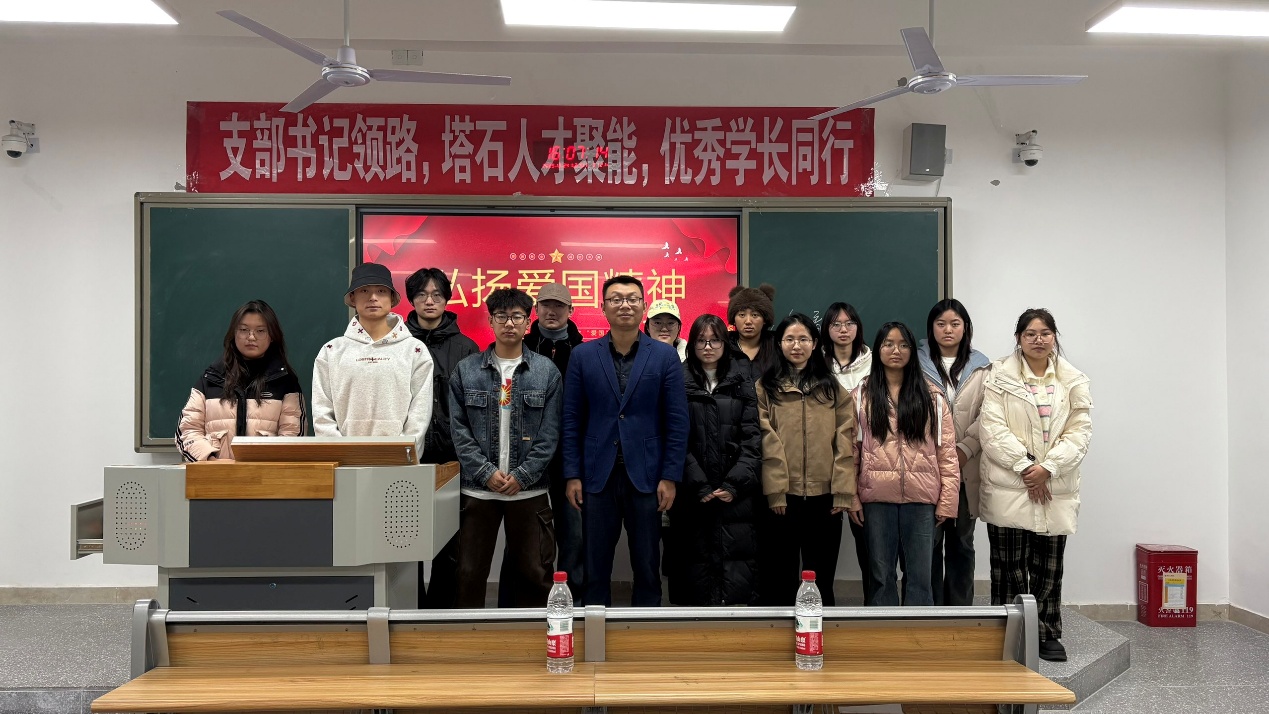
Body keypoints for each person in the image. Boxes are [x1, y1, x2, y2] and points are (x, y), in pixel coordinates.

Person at [563, 275, 689, 607]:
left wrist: (670, 476)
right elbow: (572, 419)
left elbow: (677, 422)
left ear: (644, 307)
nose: (625, 305)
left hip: (647, 476)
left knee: (647, 564)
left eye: (632, 299)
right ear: (602, 307)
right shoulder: (582, 355)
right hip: (596, 475)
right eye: (616, 299)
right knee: (594, 565)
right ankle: (594, 625)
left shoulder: (664, 356)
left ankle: (646, 629)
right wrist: (572, 474)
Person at [979, 308, 1092, 662]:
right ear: (1019, 338)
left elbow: (1080, 432)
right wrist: (1028, 468)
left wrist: (1048, 468)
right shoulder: (999, 376)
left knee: (1048, 568)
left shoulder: (1073, 380)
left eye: (1045, 333)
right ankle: (1008, 635)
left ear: (1054, 337)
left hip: (1054, 486)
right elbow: (991, 429)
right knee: (1008, 568)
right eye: (1030, 333)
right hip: (1010, 485)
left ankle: (1047, 633)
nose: (1038, 339)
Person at [449, 288, 562, 608]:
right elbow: (459, 430)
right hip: (478, 491)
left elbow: (550, 433)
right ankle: (469, 635)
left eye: (516, 317)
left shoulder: (546, 372)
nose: (509, 323)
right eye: (502, 316)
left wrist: (523, 475)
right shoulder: (466, 370)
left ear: (528, 322)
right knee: (468, 573)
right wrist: (484, 472)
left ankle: (535, 634)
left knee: (535, 573)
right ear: (490, 321)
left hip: (529, 491)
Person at [850, 322, 959, 607]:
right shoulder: (861, 396)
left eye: (903, 344)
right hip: (876, 499)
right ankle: (884, 631)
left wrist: (948, 501)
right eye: (888, 344)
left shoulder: (932, 397)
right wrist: (851, 497)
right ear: (878, 349)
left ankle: (918, 632)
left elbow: (947, 453)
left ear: (912, 350)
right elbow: (851, 453)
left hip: (922, 501)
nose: (895, 350)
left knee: (921, 578)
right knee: (880, 577)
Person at [756, 313, 856, 605]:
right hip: (782, 498)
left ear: (814, 344)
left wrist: (843, 491)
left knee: (821, 579)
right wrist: (776, 491)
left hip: (824, 497)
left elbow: (845, 440)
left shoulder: (832, 388)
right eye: (789, 339)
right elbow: (766, 439)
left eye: (803, 339)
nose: (796, 345)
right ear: (779, 343)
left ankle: (819, 630)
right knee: (781, 579)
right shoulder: (765, 387)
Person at [669, 314, 762, 606]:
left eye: (715, 340)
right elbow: (674, 438)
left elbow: (753, 438)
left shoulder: (742, 380)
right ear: (691, 344)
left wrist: (734, 484)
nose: (708, 347)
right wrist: (699, 484)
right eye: (701, 341)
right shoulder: (677, 380)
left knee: (736, 561)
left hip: (735, 493)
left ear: (725, 343)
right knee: (693, 565)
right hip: (692, 492)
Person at [404, 267, 478, 609]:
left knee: (451, 544)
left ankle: (440, 615)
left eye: (436, 294)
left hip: (454, 459)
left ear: (447, 299)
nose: (429, 301)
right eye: (421, 294)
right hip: (409, 458)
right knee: (405, 538)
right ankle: (408, 610)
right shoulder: (397, 345)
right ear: (411, 300)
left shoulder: (466, 348)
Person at [312, 262, 434, 458]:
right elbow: (322, 412)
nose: (373, 297)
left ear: (392, 298)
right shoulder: (331, 351)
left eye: (381, 291)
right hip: (344, 462)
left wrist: (403, 454)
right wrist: (339, 454)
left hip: (399, 462)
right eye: (364, 290)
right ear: (352, 297)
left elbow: (420, 412)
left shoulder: (414, 351)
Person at [917, 299, 991, 606]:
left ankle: (960, 612)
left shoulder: (983, 368)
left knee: (962, 541)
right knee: (928, 544)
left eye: (955, 324)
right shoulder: (915, 363)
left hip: (965, 468)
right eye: (941, 324)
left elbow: (988, 416)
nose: (948, 330)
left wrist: (963, 450)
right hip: (926, 469)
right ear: (931, 328)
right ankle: (931, 612)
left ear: (965, 328)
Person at [176, 300, 306, 461]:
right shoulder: (211, 378)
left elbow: (292, 436)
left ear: (272, 336)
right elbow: (188, 430)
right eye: (244, 330)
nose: (251, 337)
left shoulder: (285, 382)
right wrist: (209, 461)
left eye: (260, 331)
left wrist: (263, 469)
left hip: (265, 475)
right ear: (234, 334)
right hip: (214, 474)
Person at [521, 282, 585, 603]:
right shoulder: (520, 347)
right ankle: (531, 600)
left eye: (559, 305)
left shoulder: (585, 351)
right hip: (527, 455)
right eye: (546, 304)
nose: (552, 311)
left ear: (570, 310)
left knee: (573, 533)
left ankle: (572, 600)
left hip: (571, 455)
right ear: (536, 309)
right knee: (528, 533)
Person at [818, 301, 874, 603]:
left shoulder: (875, 363)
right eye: (836, 324)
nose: (843, 330)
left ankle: (872, 614)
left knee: (870, 550)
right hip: (827, 465)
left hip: (869, 463)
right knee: (824, 551)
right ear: (826, 329)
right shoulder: (816, 365)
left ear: (858, 328)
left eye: (849, 323)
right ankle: (823, 612)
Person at [726, 284, 778, 380]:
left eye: (755, 315)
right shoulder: (723, 346)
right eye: (742, 315)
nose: (748, 321)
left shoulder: (777, 346)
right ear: (734, 319)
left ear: (765, 319)